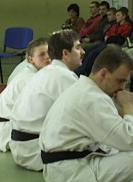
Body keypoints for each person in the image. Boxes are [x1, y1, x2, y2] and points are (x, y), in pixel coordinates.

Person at [40, 46, 133, 182]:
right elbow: (131, 141)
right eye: (120, 80)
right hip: (71, 173)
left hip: (58, 169)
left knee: (115, 148)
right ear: (103, 73)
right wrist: (127, 106)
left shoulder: (83, 88)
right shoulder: (93, 98)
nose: (122, 87)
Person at [10, 30, 82, 171]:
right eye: (78, 48)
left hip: (23, 145)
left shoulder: (47, 72)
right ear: (65, 53)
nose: (83, 52)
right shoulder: (63, 76)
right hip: (35, 149)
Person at [0, 37, 50, 152]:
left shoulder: (31, 72)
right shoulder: (31, 78)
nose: (47, 57)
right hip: (9, 132)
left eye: (49, 53)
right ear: (31, 59)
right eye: (42, 55)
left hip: (5, 128)